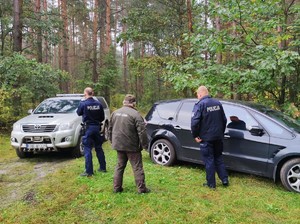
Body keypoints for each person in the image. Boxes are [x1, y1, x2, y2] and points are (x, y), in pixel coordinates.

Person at [109, 94, 150, 193]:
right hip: (132, 146)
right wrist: (145, 145)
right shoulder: (136, 114)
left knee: (119, 166)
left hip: (119, 145)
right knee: (137, 167)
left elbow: (109, 129)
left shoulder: (114, 113)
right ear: (134, 103)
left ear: (124, 102)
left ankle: (116, 188)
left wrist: (112, 141)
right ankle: (141, 189)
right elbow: (142, 132)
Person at [191, 86, 229, 189]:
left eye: (197, 95)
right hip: (218, 137)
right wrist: (221, 132)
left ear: (199, 94)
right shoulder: (217, 103)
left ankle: (211, 184)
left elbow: (195, 122)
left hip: (206, 138)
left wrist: (195, 135)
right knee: (218, 158)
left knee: (209, 160)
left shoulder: (200, 105)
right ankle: (224, 179)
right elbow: (224, 120)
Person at [76, 87, 106, 177]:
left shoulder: (83, 103)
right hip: (97, 128)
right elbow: (102, 117)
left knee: (87, 148)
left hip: (88, 128)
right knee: (99, 148)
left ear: (85, 94)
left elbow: (78, 113)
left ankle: (89, 171)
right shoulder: (98, 104)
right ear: (92, 93)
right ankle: (103, 167)